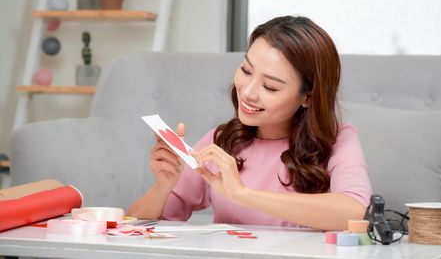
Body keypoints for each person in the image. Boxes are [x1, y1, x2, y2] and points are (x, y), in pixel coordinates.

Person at [127, 16, 372, 231]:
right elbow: (132, 226)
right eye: (246, 70)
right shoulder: (222, 140)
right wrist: (163, 186)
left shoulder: (338, 140)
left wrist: (244, 195)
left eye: (270, 86)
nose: (248, 92)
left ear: (307, 96)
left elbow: (354, 212)